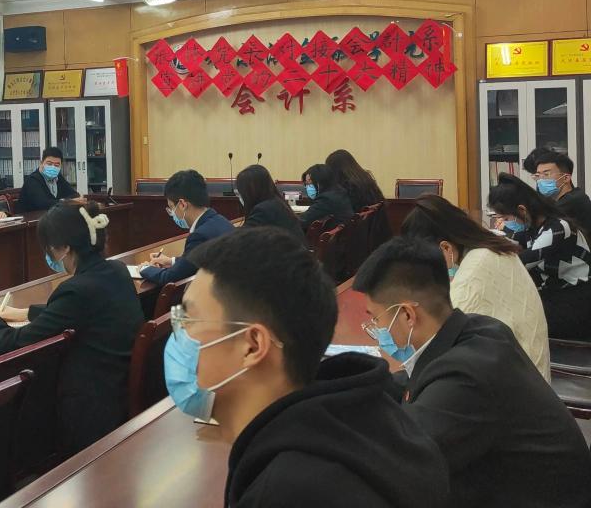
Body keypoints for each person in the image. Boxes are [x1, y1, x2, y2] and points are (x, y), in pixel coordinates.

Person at [175, 228, 449, 507]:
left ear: (253, 345)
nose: (179, 336)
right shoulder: (365, 422)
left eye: (188, 320)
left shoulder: (288, 493)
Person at [353, 237, 591, 508]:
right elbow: (412, 380)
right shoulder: (477, 328)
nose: (375, 329)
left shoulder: (466, 377)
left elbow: (398, 466)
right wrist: (356, 388)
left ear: (407, 315)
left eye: (376, 319)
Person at [0, 202, 143, 456]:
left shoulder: (76, 290)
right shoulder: (115, 270)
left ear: (65, 248)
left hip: (90, 406)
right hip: (118, 388)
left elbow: (18, 342)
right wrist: (25, 312)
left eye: (48, 248)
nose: (47, 254)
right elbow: (75, 312)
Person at [401, 194, 549, 380]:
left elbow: (441, 337)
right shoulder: (490, 248)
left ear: (446, 248)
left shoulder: (478, 265)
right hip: (526, 372)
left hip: (516, 382)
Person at [488, 173, 591, 339]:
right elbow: (510, 244)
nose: (506, 223)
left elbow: (524, 261)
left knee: (511, 325)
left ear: (522, 210)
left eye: (506, 218)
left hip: (575, 298)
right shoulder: (532, 226)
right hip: (552, 294)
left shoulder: (558, 227)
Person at [138, 169, 234, 285]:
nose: (172, 213)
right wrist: (171, 261)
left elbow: (170, 278)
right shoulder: (221, 221)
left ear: (182, 204)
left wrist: (145, 269)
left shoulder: (199, 236)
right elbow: (192, 263)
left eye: (171, 207)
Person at [524, 148, 591, 236]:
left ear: (566, 178)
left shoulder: (572, 201)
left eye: (546, 174)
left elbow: (542, 224)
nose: (540, 180)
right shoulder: (565, 197)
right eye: (537, 175)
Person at [234, 164, 304, 241]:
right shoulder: (277, 202)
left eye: (240, 192)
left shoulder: (264, 209)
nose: (240, 196)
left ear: (250, 191)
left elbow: (241, 237)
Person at [15, 147, 79, 212]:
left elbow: (74, 195)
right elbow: (43, 204)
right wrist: (68, 202)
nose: (53, 167)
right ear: (41, 163)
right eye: (49, 164)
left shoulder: (58, 177)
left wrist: (71, 201)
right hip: (30, 217)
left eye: (57, 165)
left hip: (51, 215)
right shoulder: (32, 180)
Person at [298, 164, 353, 230]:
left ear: (321, 181)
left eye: (310, 183)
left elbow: (302, 221)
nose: (308, 187)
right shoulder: (338, 192)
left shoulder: (326, 199)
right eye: (306, 184)